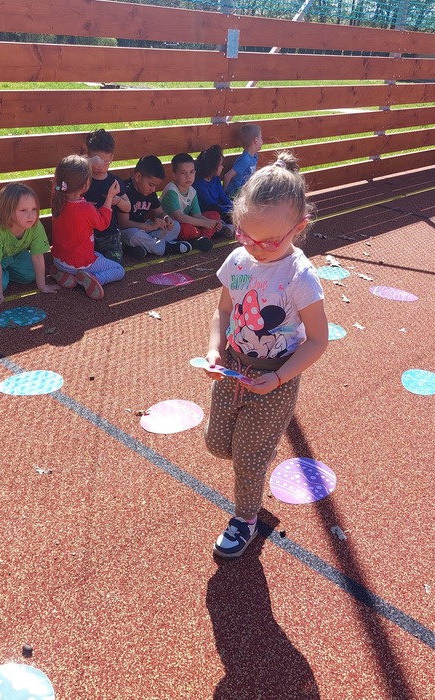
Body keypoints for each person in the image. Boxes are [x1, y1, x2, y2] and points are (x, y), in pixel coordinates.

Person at [199, 152, 329, 558]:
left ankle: (246, 519)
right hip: (233, 369)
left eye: (268, 242)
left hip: (274, 381)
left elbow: (317, 339)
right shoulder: (239, 260)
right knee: (218, 445)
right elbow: (223, 310)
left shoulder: (299, 277)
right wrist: (214, 350)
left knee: (247, 462)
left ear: (299, 227)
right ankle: (258, 451)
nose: (255, 250)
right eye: (245, 236)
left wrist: (279, 378)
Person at [50, 155, 125, 300]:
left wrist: (88, 161)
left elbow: (59, 177)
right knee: (119, 269)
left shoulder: (56, 199)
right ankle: (95, 278)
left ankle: (64, 274)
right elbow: (103, 223)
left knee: (99, 256)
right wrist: (110, 197)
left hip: (59, 260)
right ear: (85, 185)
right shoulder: (86, 209)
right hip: (81, 265)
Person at [117, 155, 190, 258]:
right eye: (151, 185)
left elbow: (159, 212)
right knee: (133, 235)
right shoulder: (125, 190)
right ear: (138, 177)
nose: (153, 189)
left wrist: (166, 218)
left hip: (145, 230)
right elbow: (124, 224)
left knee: (176, 226)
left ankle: (142, 248)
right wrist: (149, 227)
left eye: (155, 186)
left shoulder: (150, 192)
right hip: (127, 231)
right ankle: (165, 248)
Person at [82, 129, 131, 262]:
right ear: (88, 157)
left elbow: (128, 207)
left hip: (110, 235)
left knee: (115, 263)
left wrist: (118, 200)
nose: (101, 167)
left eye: (106, 162)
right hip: (87, 234)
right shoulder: (83, 180)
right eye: (97, 162)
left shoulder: (114, 181)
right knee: (86, 262)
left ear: (112, 158)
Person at [160, 153, 218, 252]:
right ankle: (198, 238)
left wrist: (212, 223)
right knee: (185, 228)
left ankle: (204, 238)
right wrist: (205, 223)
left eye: (191, 172)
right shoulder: (171, 190)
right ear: (174, 175)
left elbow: (197, 215)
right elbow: (179, 217)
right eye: (183, 173)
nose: (188, 176)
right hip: (172, 226)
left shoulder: (192, 191)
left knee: (214, 215)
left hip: (188, 221)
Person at [194, 145, 235, 235]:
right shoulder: (199, 184)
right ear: (211, 167)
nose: (222, 167)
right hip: (206, 213)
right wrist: (229, 212)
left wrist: (233, 208)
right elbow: (210, 204)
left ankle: (229, 226)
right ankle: (224, 227)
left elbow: (223, 197)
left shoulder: (215, 179)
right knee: (216, 216)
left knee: (234, 210)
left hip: (219, 209)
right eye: (220, 165)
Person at [224, 123, 263, 198]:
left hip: (244, 192)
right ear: (256, 140)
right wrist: (224, 195)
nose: (262, 141)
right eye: (261, 138)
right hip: (235, 194)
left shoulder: (254, 156)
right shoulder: (245, 160)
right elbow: (227, 176)